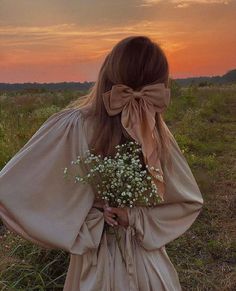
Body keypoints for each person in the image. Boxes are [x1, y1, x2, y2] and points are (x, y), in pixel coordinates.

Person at [0, 35, 203, 291]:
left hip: (93, 270)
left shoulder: (75, 125)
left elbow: (11, 188)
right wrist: (135, 218)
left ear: (107, 73)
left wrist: (84, 221)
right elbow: (189, 201)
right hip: (149, 271)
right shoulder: (155, 133)